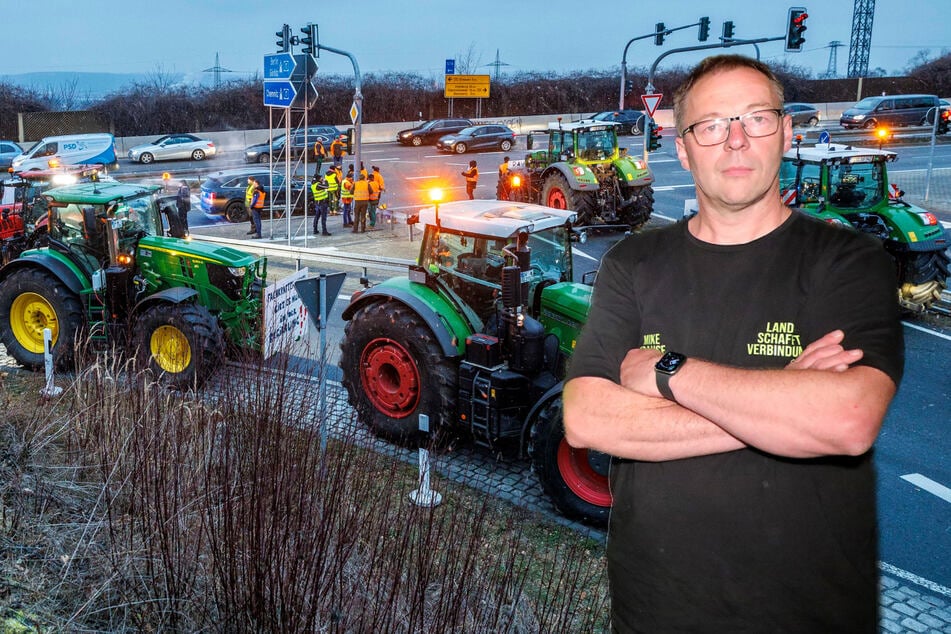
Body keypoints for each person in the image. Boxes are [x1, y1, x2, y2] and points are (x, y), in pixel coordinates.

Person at [562, 55, 903, 633]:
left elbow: (845, 420)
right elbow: (586, 419)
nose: (737, 141)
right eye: (712, 124)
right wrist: (783, 404)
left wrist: (671, 373)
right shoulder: (632, 263)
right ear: (682, 148)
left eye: (756, 119)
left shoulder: (850, 261)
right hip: (655, 614)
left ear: (787, 132)